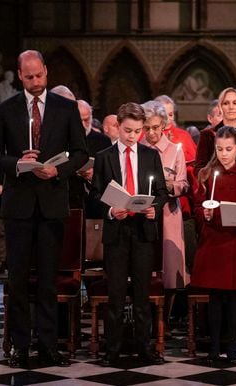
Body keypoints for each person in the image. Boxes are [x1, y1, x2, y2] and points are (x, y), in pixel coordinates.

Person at [0, 50, 88, 368]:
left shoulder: (66, 108)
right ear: (19, 75)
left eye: (39, 76)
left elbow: (81, 153)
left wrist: (59, 170)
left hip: (52, 202)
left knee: (47, 279)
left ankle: (48, 345)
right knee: (17, 280)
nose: (34, 82)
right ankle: (19, 345)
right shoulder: (7, 109)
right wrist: (17, 163)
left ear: (46, 71)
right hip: (18, 205)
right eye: (28, 77)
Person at [91, 102, 168, 366]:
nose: (132, 136)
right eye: (127, 130)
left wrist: (154, 209)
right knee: (115, 294)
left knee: (141, 296)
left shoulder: (150, 155)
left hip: (142, 231)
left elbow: (161, 192)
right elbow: (96, 195)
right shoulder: (104, 157)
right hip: (117, 232)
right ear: (118, 127)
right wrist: (112, 211)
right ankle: (111, 350)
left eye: (137, 131)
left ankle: (144, 349)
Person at [191, 126, 236, 363]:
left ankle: (231, 346)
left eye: (229, 149)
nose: (224, 154)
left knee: (234, 299)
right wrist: (204, 215)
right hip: (214, 241)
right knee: (215, 298)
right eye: (220, 149)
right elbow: (198, 205)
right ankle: (214, 346)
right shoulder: (208, 172)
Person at [139, 100, 189, 335]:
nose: (151, 133)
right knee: (145, 267)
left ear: (164, 126)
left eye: (156, 127)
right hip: (143, 214)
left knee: (169, 270)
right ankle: (144, 319)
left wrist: (171, 186)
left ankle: (165, 321)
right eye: (147, 128)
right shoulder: (137, 147)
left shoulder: (174, 150)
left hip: (168, 214)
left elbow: (183, 183)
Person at [194, 87, 236, 181]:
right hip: (217, 188)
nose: (231, 107)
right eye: (226, 103)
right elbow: (198, 169)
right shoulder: (207, 135)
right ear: (220, 107)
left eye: (235, 103)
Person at [71, 100, 111, 217]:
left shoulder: (103, 141)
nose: (83, 125)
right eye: (79, 120)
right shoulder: (63, 139)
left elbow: (110, 173)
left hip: (95, 202)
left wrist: (94, 175)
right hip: (71, 200)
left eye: (87, 120)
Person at [154, 95, 197, 164]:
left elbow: (194, 160)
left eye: (170, 114)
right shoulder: (148, 134)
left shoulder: (183, 135)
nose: (168, 118)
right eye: (164, 115)